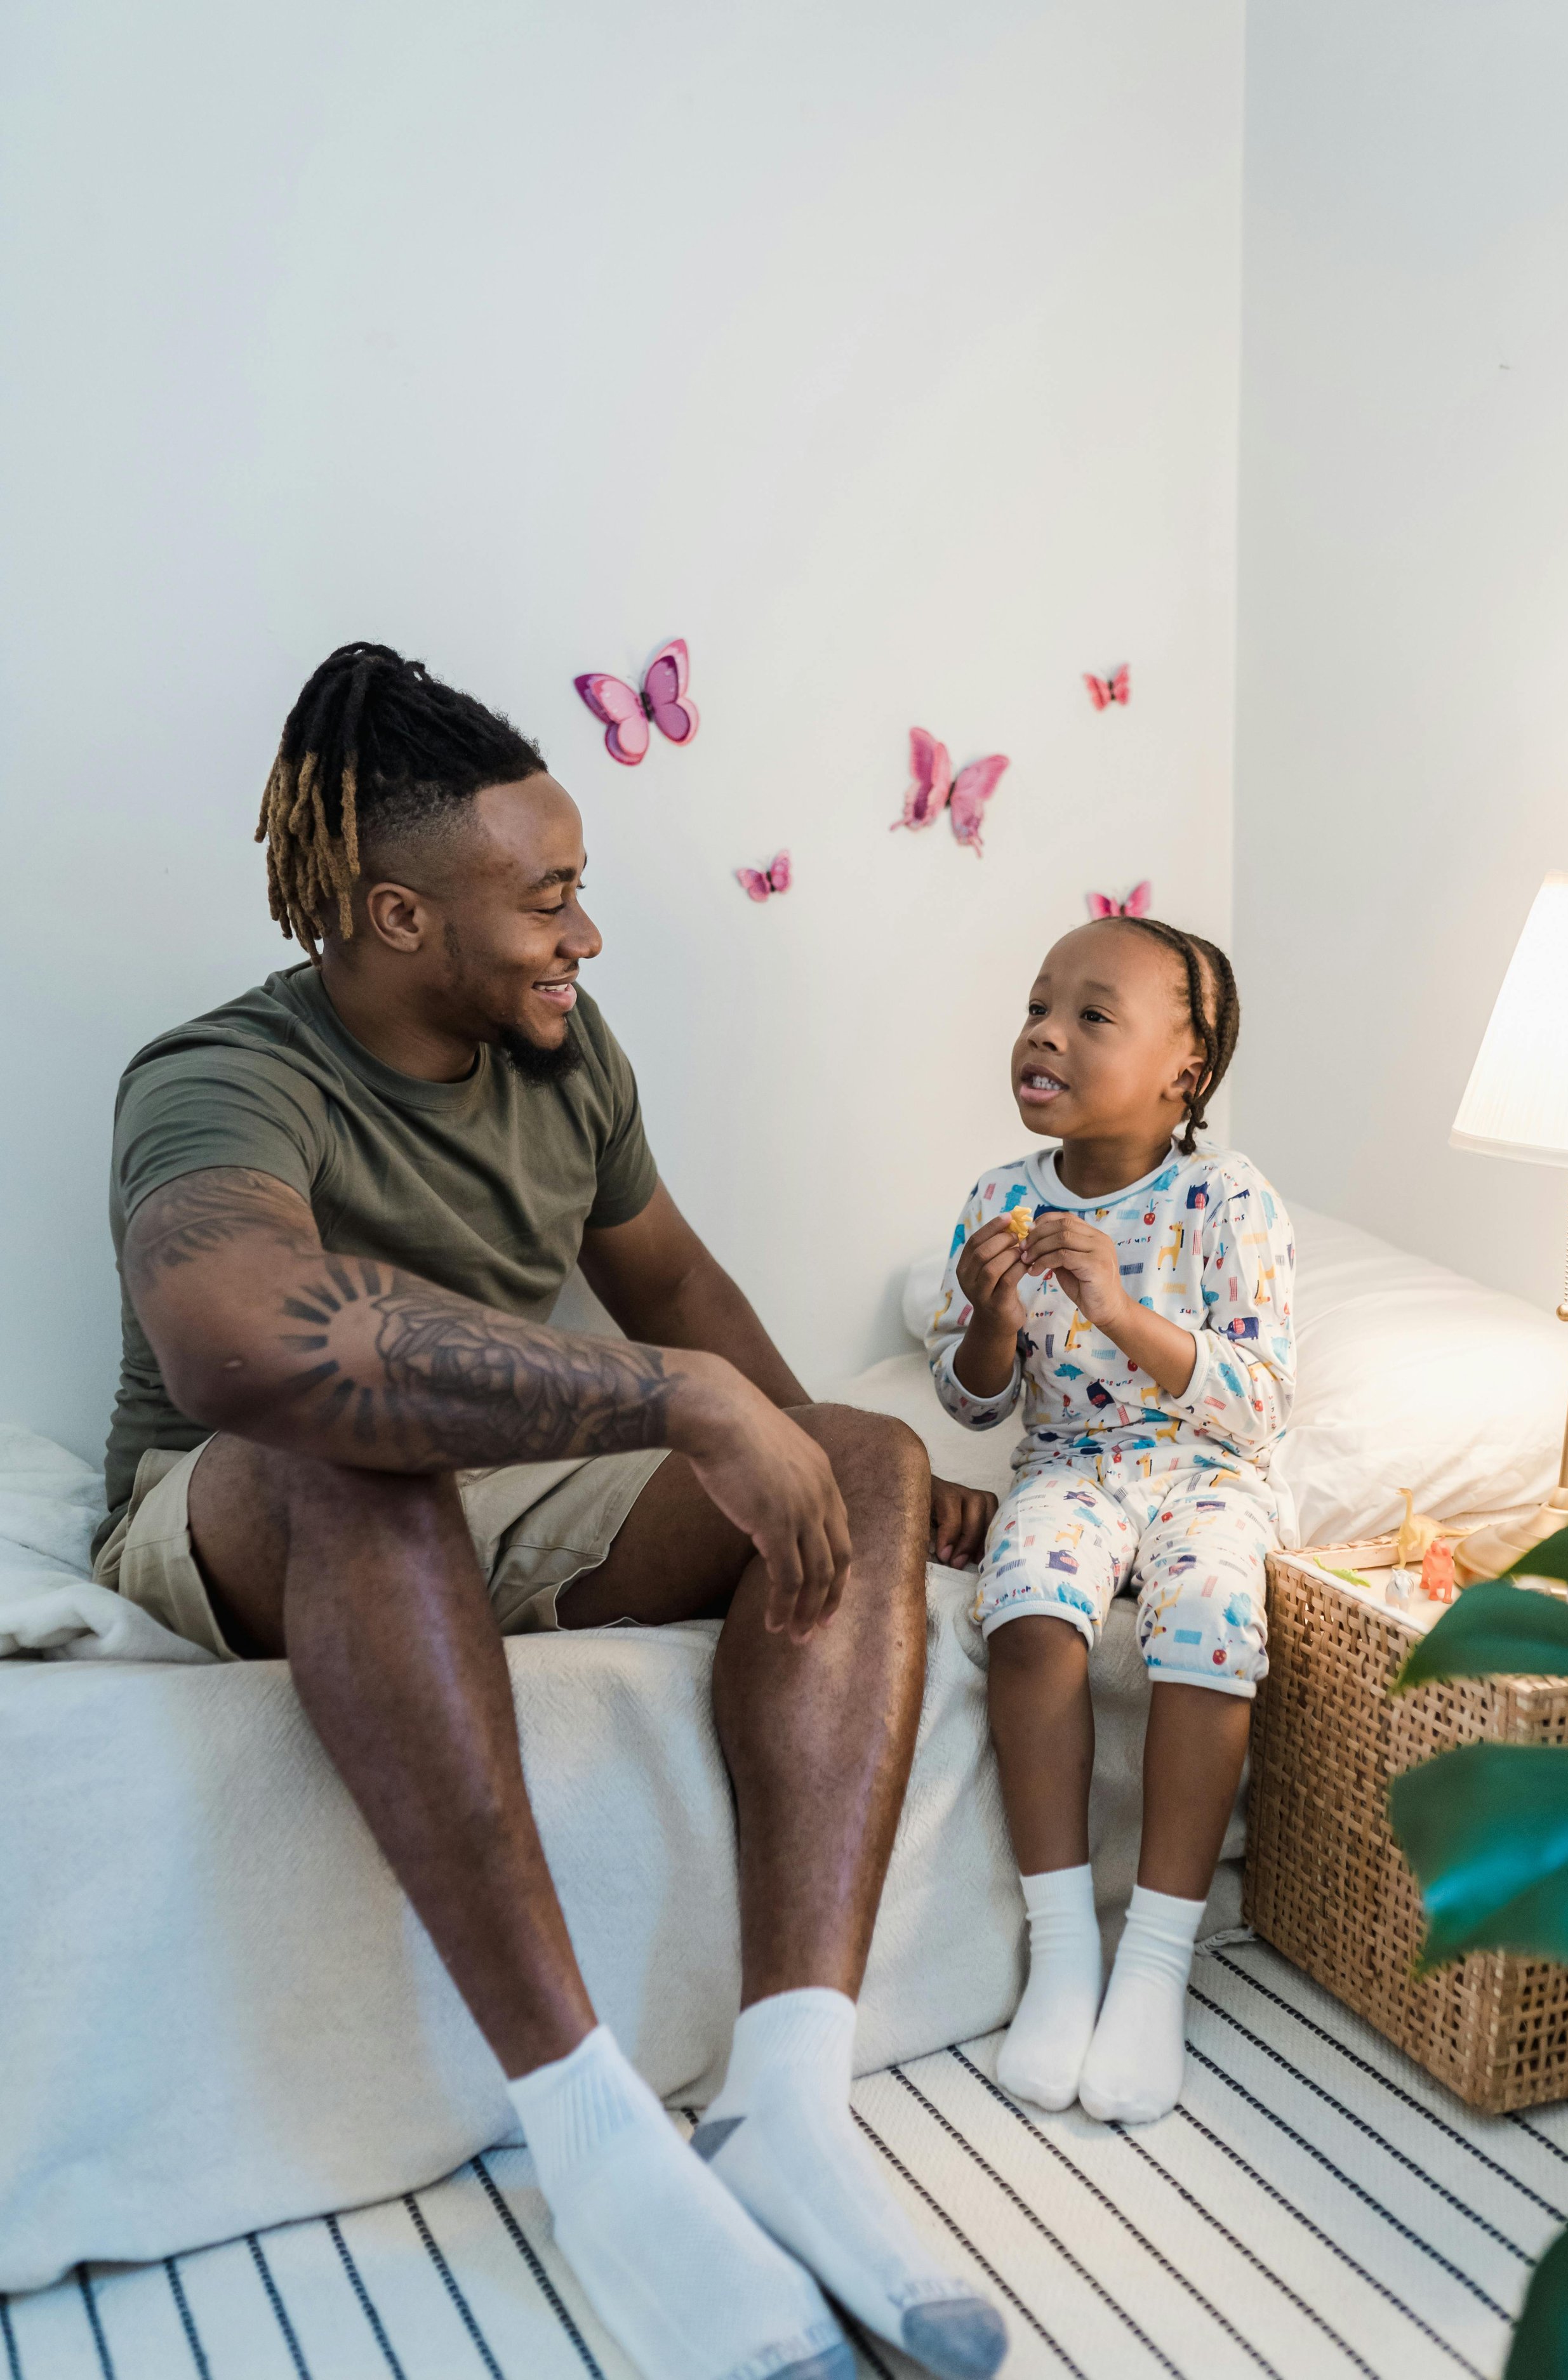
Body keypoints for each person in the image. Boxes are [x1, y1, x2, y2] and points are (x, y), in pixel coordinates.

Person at [93, 644, 1008, 2380]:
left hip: (509, 1500)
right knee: (356, 1457)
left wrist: (802, 1439)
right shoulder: (218, 1076)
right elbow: (236, 1342)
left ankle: (787, 2101)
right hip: (241, 1510)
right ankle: (591, 2136)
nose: (585, 936)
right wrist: (673, 1399)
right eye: (551, 899)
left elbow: (675, 1284)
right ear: (397, 914)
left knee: (861, 1456)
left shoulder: (569, 1054)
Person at [927, 915, 1294, 2125]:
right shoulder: (998, 1198)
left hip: (1203, 1473)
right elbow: (971, 1399)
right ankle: (1065, 1948)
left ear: (1184, 1073)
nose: (1045, 1029)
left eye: (1093, 1013)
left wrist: (1124, 1311)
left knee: (1205, 1620)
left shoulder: (1223, 1195)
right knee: (1028, 1614)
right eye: (1040, 1004)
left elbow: (1262, 1399)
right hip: (1071, 1464)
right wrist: (988, 1316)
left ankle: (1152, 1964)